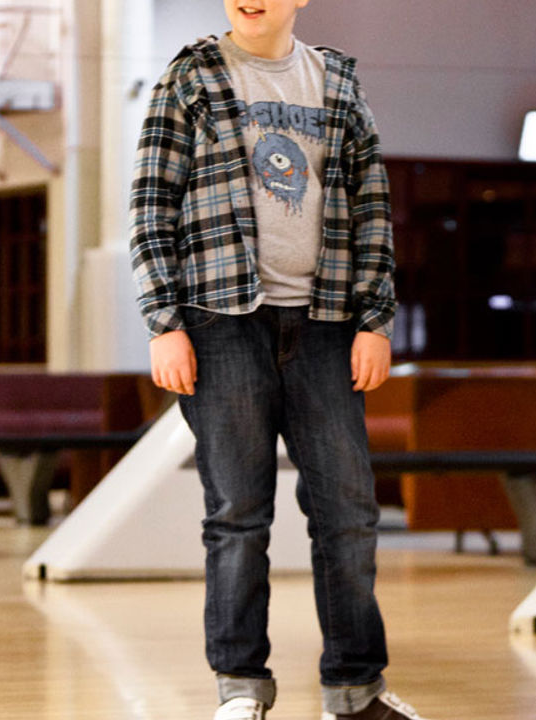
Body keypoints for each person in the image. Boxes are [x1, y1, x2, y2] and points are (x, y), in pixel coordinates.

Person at [129, 1, 427, 718]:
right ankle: (240, 688)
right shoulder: (191, 77)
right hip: (221, 321)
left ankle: (355, 692)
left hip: (326, 325)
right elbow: (150, 204)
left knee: (348, 513)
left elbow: (372, 206)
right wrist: (163, 322)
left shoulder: (337, 83)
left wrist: (374, 320)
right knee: (237, 513)